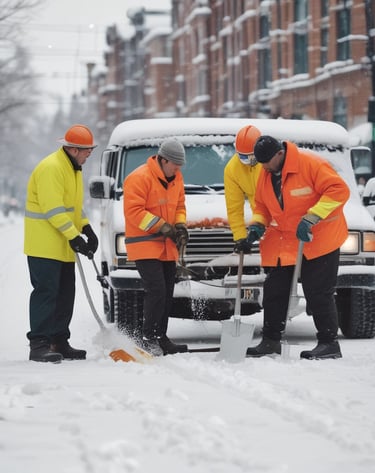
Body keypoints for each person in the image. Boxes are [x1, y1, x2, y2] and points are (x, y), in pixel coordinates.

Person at [245, 135, 350, 360]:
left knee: (318, 291)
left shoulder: (310, 164)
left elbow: (338, 191)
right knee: (274, 289)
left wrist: (312, 217)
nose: (263, 167)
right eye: (260, 163)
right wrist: (256, 225)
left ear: (279, 154)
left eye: (266, 162)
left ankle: (329, 343)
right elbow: (262, 205)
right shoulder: (266, 174)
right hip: (286, 241)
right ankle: (271, 341)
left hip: (320, 238)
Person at [24, 124, 99, 363]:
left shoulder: (73, 169)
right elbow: (53, 209)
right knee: (46, 294)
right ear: (74, 149)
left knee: (66, 295)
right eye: (87, 150)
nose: (90, 154)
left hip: (62, 246)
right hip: (44, 246)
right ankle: (39, 344)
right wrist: (75, 236)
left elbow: (73, 207)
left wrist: (86, 228)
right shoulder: (51, 168)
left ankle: (59, 341)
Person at [123, 139, 189, 356]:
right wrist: (163, 227)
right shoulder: (139, 178)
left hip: (166, 246)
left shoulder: (176, 178)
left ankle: (161, 336)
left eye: (180, 166)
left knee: (167, 292)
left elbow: (180, 205)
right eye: (175, 165)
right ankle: (147, 337)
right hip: (145, 245)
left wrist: (179, 225)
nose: (178, 169)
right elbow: (134, 212)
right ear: (162, 160)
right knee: (157, 290)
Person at [224, 125, 262, 253]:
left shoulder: (269, 163)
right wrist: (240, 237)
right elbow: (234, 207)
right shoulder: (232, 169)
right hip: (261, 220)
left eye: (251, 157)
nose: (247, 162)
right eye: (243, 157)